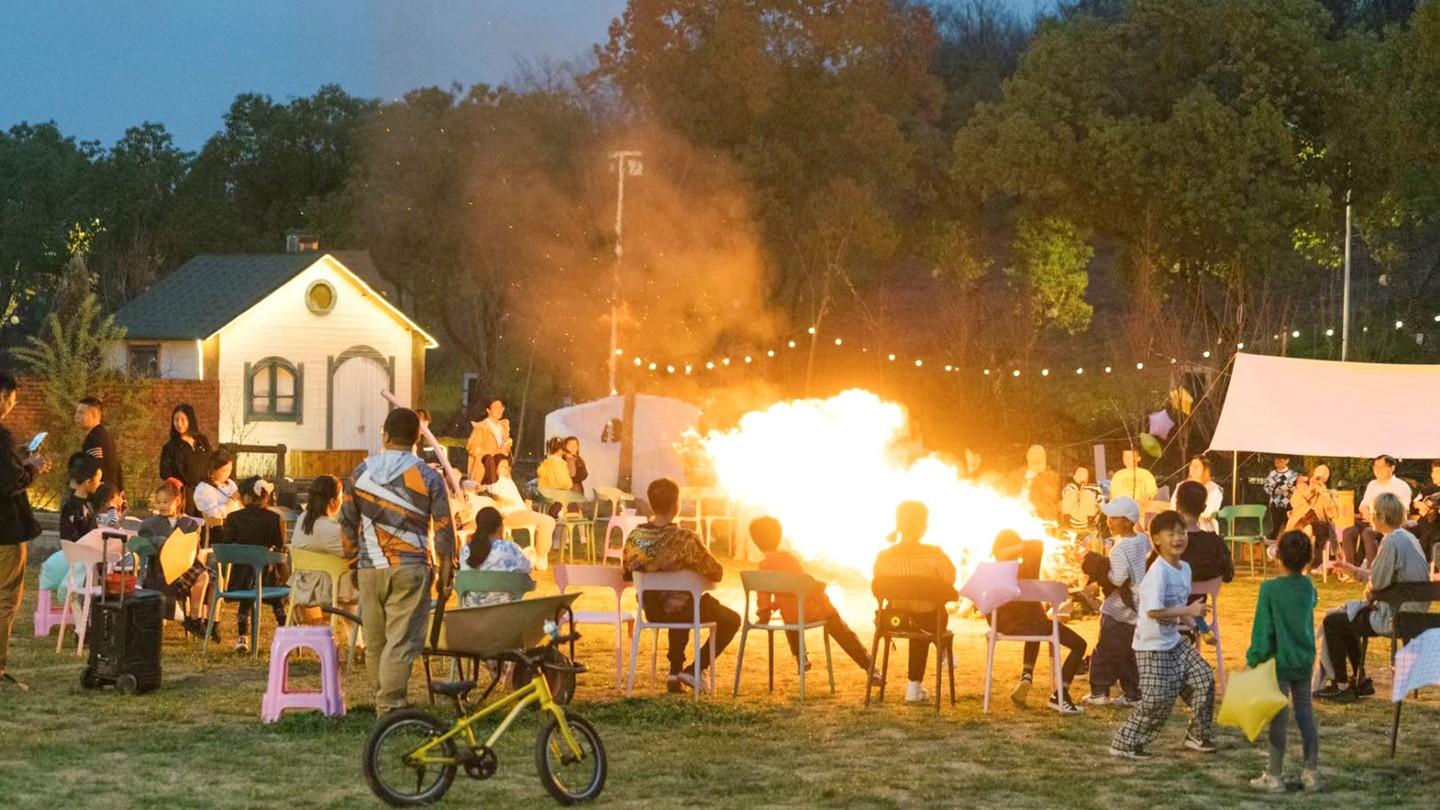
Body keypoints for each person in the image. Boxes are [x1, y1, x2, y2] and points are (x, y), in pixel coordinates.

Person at [341, 408, 455, 713]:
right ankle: (390, 707)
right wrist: (447, 570)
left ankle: (383, 702)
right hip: (411, 566)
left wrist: (353, 563)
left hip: (370, 567)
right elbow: (444, 529)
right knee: (401, 641)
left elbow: (347, 522)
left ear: (386, 435)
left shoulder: (360, 473)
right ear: (418, 437)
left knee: (376, 641)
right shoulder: (429, 477)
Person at [1109, 510, 1216, 759]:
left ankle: (1197, 734)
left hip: (1174, 642)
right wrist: (1189, 610)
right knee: (1156, 700)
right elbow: (1154, 611)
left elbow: (1180, 607)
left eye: (1182, 532)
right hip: (1151, 647)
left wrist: (1200, 627)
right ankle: (1125, 742)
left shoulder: (1184, 568)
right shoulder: (1158, 572)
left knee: (1203, 677)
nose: (1178, 538)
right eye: (1171, 534)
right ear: (1156, 539)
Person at [623, 477, 739, 693]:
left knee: (679, 602)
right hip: (685, 610)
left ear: (651, 504)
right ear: (676, 505)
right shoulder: (685, 539)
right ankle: (696, 668)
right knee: (728, 618)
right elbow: (716, 572)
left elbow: (627, 571)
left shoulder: (635, 538)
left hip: (653, 611)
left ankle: (675, 671)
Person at [1318, 492, 1430, 702]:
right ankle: (1360, 680)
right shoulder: (1407, 538)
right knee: (1348, 617)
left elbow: (1377, 583)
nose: (1368, 517)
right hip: (1413, 612)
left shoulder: (1391, 541)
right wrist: (1353, 570)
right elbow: (1382, 577)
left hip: (1397, 616)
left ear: (1381, 516)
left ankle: (1342, 684)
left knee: (1334, 621)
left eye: (1371, 513)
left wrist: (1368, 595)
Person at [749, 516, 875, 678]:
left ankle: (800, 656)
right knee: (839, 628)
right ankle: (868, 665)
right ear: (778, 536)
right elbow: (801, 585)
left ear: (755, 541)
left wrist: (764, 615)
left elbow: (765, 596)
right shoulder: (788, 558)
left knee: (790, 616)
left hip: (793, 617)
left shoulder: (763, 566)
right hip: (816, 609)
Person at [1245, 531, 1323, 793]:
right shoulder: (1307, 587)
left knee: (1278, 718)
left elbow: (1263, 628)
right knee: (1305, 714)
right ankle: (1311, 771)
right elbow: (1313, 600)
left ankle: (1275, 774)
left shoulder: (1270, 589)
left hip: (1279, 662)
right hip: (1304, 660)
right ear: (1308, 558)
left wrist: (1254, 658)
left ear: (1277, 555)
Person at [991, 530, 1087, 714]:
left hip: (1005, 626)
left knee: (1036, 622)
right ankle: (1059, 695)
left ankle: (1027, 675)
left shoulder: (992, 573)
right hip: (1034, 625)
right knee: (1079, 644)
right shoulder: (1027, 567)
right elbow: (1036, 544)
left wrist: (1000, 553)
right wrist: (1017, 549)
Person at [873, 500, 958, 704]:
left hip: (894, 621)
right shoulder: (934, 554)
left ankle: (915, 687)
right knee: (928, 615)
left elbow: (878, 585)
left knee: (915, 617)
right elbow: (950, 579)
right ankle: (936, 659)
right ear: (922, 526)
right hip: (929, 621)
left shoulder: (883, 557)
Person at [0, 370, 50, 690]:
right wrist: (32, 469)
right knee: (5, 600)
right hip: (5, 531)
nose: (12, 406)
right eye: (12, 400)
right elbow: (8, 481)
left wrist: (15, 458)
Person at [1084, 497, 1148, 707]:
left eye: (1114, 517)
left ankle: (1099, 692)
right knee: (1130, 653)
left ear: (1127, 521)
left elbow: (1118, 579)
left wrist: (1102, 570)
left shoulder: (1119, 548)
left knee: (1105, 651)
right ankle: (1133, 694)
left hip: (1117, 607)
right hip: (1138, 606)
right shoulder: (1142, 540)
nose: (1109, 521)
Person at [219, 476, 287, 653]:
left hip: (241, 577)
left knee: (247, 598)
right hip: (268, 577)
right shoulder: (274, 518)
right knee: (277, 600)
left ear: (247, 497)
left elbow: (227, 545)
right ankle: (286, 632)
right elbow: (280, 546)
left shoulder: (233, 518)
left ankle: (242, 637)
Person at [137, 480, 211, 639]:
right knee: (200, 575)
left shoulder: (189, 523)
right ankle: (192, 619)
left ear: (177, 502)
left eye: (166, 502)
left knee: (205, 575)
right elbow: (143, 546)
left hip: (185, 565)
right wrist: (162, 542)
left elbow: (194, 549)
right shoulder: (149, 525)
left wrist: (190, 544)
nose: (161, 506)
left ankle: (195, 617)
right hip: (161, 570)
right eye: (158, 502)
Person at [289, 475, 356, 623]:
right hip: (324, 590)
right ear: (332, 502)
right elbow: (355, 551)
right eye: (341, 497)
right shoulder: (326, 528)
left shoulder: (303, 519)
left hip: (303, 587)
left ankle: (356, 636)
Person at [479, 454, 555, 570]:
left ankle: (540, 554)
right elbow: (489, 488)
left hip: (520, 513)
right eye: (503, 466)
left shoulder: (508, 481)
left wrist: (526, 505)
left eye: (507, 466)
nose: (506, 469)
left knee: (548, 521)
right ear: (495, 469)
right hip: (512, 515)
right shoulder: (496, 483)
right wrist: (485, 488)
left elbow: (515, 499)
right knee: (547, 521)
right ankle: (540, 555)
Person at [1342, 455, 1414, 568]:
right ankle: (1351, 567)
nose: (1377, 470)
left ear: (1392, 468)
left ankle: (1372, 569)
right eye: (1375, 467)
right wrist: (1365, 511)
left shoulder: (1401, 486)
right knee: (1348, 531)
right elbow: (1363, 505)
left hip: (1387, 523)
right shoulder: (1372, 485)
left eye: (1381, 467)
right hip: (1369, 520)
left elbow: (1402, 510)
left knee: (1368, 533)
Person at [460, 506, 532, 608]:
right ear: (499, 527)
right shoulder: (509, 548)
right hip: (503, 611)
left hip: (472, 612)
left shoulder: (466, 550)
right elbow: (528, 568)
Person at [158, 403, 213, 516]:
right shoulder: (170, 446)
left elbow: (212, 461)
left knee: (206, 522)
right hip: (185, 493)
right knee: (187, 523)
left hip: (205, 491)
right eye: (176, 420)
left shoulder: (202, 441)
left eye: (183, 420)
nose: (179, 424)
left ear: (190, 420)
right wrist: (175, 482)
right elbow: (164, 472)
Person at [1287, 463, 1338, 568]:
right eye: (1318, 475)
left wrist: (1323, 493)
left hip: (1319, 524)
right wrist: (1310, 490)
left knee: (1309, 529)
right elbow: (1295, 503)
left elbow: (1333, 513)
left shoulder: (1327, 493)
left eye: (1323, 476)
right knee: (1305, 529)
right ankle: (1300, 563)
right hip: (1301, 521)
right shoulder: (1302, 488)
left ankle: (1301, 563)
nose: (1319, 479)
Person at [76, 395, 124, 500]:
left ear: (94, 414)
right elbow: (117, 465)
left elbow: (94, 467)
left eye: (81, 413)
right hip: (110, 492)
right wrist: (120, 489)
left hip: (101, 495)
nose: (76, 416)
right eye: (77, 412)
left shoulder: (94, 438)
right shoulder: (104, 435)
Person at [1169, 456, 1223, 532]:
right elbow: (1173, 505)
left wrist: (1189, 513)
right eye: (1192, 465)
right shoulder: (1181, 486)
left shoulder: (1214, 489)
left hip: (1205, 529)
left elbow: (1209, 512)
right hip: (1182, 528)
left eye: (1197, 466)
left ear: (1205, 469)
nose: (1194, 468)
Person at [466, 398, 511, 482]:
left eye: (501, 407)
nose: (499, 410)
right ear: (488, 410)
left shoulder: (503, 427)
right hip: (485, 470)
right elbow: (472, 448)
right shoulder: (481, 427)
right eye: (496, 407)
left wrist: (506, 446)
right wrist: (491, 453)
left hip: (501, 470)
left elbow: (505, 450)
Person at [1016, 444, 1061, 522]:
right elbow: (1012, 491)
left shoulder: (1051, 476)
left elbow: (1052, 494)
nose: (1035, 463)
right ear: (1028, 459)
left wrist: (1036, 478)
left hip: (1043, 513)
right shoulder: (1021, 473)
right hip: (1023, 511)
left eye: (1038, 459)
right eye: (1032, 458)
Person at [193, 449, 241, 521]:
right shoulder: (204, 489)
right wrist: (232, 499)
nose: (228, 473)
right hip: (221, 525)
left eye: (230, 470)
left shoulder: (230, 483)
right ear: (213, 470)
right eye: (224, 470)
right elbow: (213, 515)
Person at [1061, 465, 1104, 541]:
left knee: (1088, 492)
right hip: (1070, 518)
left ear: (1089, 475)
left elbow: (1101, 504)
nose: (1080, 473)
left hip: (1088, 519)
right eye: (1078, 471)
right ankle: (1073, 521)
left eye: (1083, 472)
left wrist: (1098, 514)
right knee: (1071, 488)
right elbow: (1065, 501)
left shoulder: (1095, 488)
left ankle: (1081, 522)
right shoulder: (1070, 487)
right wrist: (1077, 489)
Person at [1262, 455, 1299, 539]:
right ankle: (1273, 543)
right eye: (1276, 459)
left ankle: (1286, 543)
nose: (1278, 461)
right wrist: (1274, 490)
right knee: (1276, 527)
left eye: (1281, 459)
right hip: (1275, 504)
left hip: (1288, 504)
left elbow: (1295, 489)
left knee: (1288, 526)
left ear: (1287, 460)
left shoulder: (1292, 475)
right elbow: (1267, 487)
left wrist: (1284, 488)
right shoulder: (1272, 474)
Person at [1413, 460, 1440, 563]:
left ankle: (1422, 563)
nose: (1434, 475)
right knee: (1401, 532)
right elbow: (1414, 503)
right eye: (1433, 472)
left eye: (1438, 472)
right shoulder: (1427, 489)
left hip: (1436, 527)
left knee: (1429, 536)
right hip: (1423, 524)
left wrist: (1435, 508)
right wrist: (1419, 505)